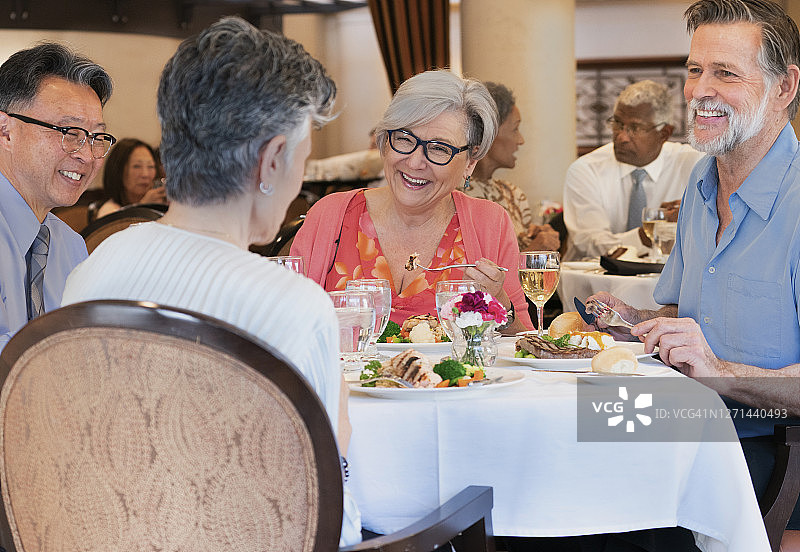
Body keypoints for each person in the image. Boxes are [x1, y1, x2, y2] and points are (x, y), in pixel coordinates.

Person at [60, 17, 361, 545]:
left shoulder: (89, 273)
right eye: (302, 160)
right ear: (271, 160)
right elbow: (328, 505)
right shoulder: (293, 305)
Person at [590, 0, 800, 534]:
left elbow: (714, 366)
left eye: (725, 73)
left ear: (784, 88)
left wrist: (721, 375)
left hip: (769, 445)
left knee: (589, 521)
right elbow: (680, 312)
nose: (699, 90)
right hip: (680, 423)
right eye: (694, 70)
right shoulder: (700, 184)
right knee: (538, 474)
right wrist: (632, 320)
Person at [292, 69, 533, 333]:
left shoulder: (489, 223)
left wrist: (499, 304)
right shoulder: (330, 215)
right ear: (385, 142)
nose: (416, 162)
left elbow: (521, 343)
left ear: (470, 163)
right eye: (405, 139)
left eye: (439, 148)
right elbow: (285, 328)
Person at [0, 43, 114, 352]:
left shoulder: (71, 247)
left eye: (96, 138)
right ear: (5, 131)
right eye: (70, 132)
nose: (87, 156)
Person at [563, 80, 705, 260]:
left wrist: (689, 217)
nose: (621, 137)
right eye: (617, 124)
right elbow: (592, 245)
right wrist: (651, 233)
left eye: (635, 128)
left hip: (666, 279)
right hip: (595, 281)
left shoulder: (694, 165)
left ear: (664, 133)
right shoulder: (585, 170)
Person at [465, 81, 560, 252]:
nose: (521, 140)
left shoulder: (513, 195)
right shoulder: (454, 196)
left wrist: (539, 236)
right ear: (489, 132)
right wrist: (532, 252)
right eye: (515, 129)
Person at [95, 138, 167, 219]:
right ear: (118, 171)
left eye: (151, 166)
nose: (145, 174)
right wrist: (144, 207)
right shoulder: (109, 210)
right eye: (137, 166)